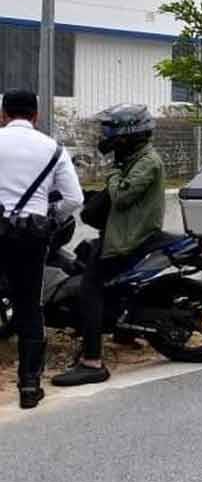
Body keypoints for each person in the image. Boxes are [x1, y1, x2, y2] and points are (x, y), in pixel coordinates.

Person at [53, 104, 165, 387]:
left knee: (90, 288)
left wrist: (113, 173)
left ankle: (92, 362)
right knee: (87, 255)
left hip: (129, 238)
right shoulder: (135, 157)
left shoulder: (146, 161)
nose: (105, 135)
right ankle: (125, 332)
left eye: (110, 130)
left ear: (128, 134)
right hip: (125, 231)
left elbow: (123, 195)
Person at [0, 91, 84, 408]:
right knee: (29, 308)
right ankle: (29, 387)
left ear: (3, 114)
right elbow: (75, 199)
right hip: (31, 238)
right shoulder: (53, 149)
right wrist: (50, 217)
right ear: (36, 117)